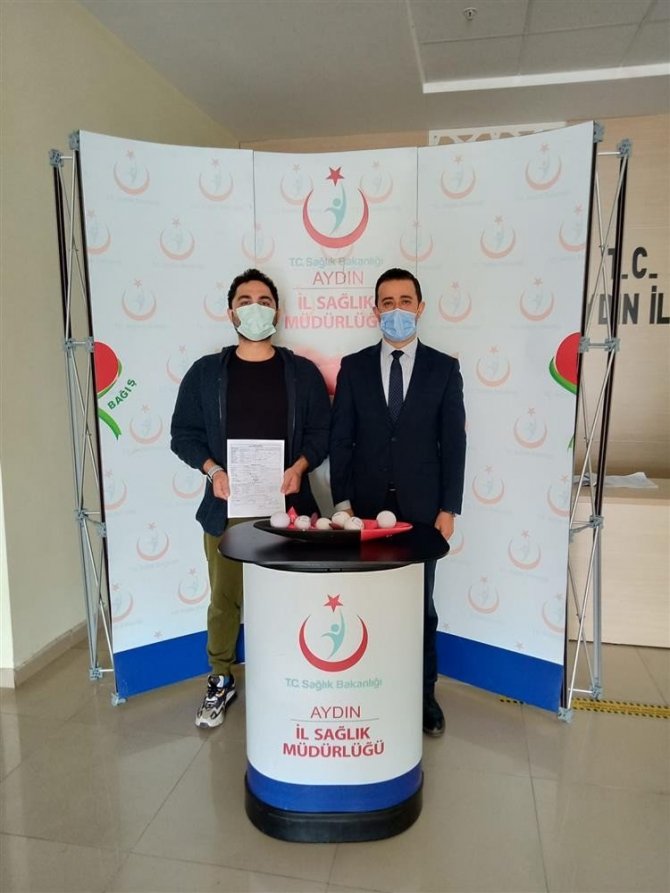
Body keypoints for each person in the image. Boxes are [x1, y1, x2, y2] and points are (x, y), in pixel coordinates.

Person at [171, 268, 330, 729]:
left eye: (264, 300)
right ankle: (221, 677)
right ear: (231, 313)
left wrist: (299, 467)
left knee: (293, 598)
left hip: (290, 510)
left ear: (277, 312)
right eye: (245, 300)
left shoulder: (301, 373)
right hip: (228, 510)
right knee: (226, 600)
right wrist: (213, 470)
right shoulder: (205, 374)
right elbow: (183, 434)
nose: (255, 307)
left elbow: (322, 433)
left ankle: (294, 678)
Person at [329, 267, 466, 736]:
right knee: (368, 604)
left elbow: (454, 442)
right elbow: (341, 438)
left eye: (405, 301)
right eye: (387, 303)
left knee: (420, 607)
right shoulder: (354, 366)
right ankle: (371, 688)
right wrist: (342, 502)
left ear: (420, 308)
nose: (396, 311)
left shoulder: (444, 369)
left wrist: (449, 507)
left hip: (424, 511)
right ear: (375, 311)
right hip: (364, 510)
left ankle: (424, 695)